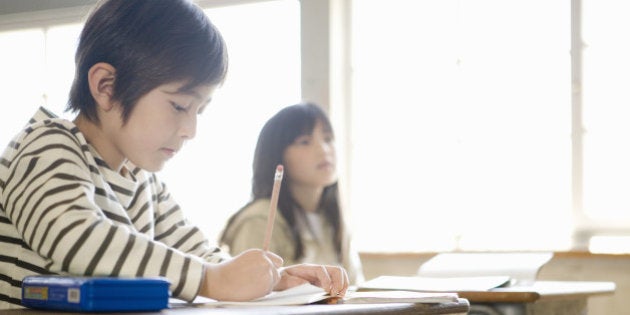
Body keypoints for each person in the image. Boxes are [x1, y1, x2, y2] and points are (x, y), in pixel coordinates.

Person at [0, 0, 347, 309]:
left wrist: (274, 280)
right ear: (106, 87)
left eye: (200, 110)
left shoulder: (143, 180)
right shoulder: (47, 146)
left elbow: (200, 257)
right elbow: (75, 238)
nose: (190, 129)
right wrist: (213, 280)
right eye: (179, 105)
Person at [219, 103, 364, 285]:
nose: (324, 149)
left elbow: (355, 288)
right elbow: (250, 294)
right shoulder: (259, 220)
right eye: (304, 141)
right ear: (277, 155)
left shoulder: (333, 219)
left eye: (327, 138)